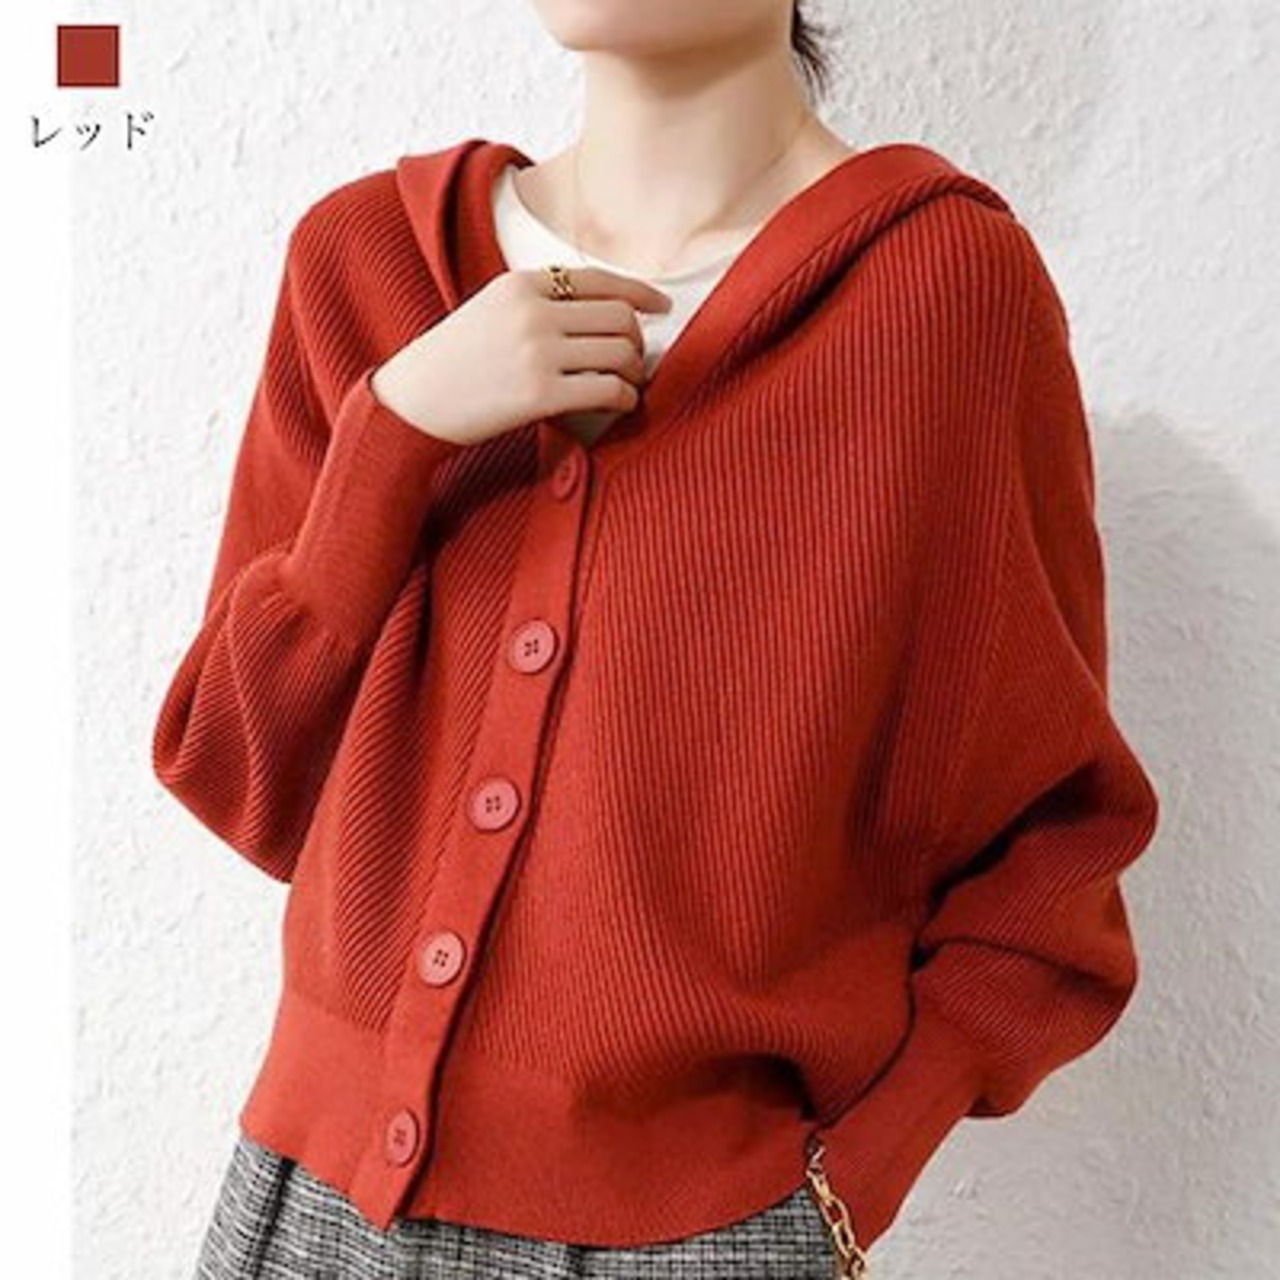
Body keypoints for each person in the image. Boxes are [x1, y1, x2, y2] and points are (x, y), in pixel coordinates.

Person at [153, 2, 1162, 1277]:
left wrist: (842, 1188)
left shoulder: (942, 298)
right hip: (307, 1203)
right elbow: (238, 770)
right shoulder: (367, 265)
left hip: (707, 1235)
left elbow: (1053, 844)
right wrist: (393, 433)